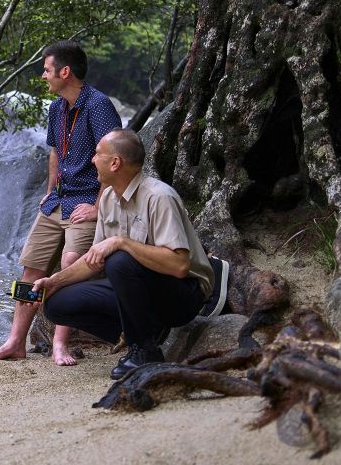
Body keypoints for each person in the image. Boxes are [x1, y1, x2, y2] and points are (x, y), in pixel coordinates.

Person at [0, 40, 121, 364]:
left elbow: (115, 156)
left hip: (86, 199)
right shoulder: (57, 107)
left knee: (72, 261)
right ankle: (15, 342)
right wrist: (49, 189)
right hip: (57, 199)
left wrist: (100, 207)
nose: (44, 76)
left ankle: (60, 342)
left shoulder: (99, 106)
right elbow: (55, 152)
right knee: (30, 268)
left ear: (65, 72)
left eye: (46, 70)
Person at [32, 129, 214, 379]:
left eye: (97, 154)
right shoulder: (107, 197)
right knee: (57, 304)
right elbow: (94, 260)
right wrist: (54, 282)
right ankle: (145, 334)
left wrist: (121, 242)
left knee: (119, 259)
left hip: (184, 294)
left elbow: (180, 265)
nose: (92, 160)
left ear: (115, 163)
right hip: (140, 290)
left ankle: (144, 352)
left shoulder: (159, 197)